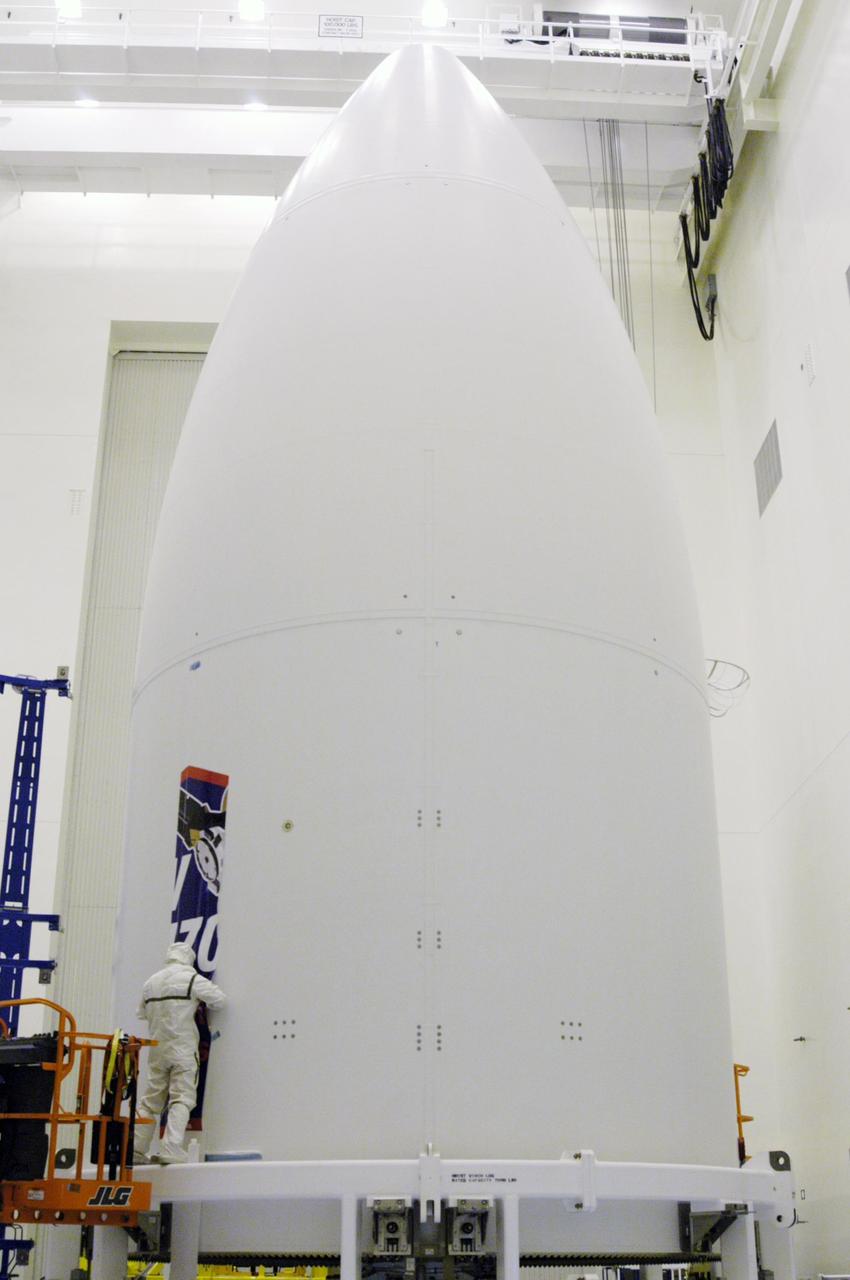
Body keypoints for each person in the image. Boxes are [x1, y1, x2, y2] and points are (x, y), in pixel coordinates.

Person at [134, 941, 226, 1164]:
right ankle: (172, 1147)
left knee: (150, 1101)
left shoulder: (150, 982)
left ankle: (136, 1149)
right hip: (182, 1048)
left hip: (157, 1049)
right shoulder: (190, 978)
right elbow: (219, 1000)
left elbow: (141, 1014)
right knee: (182, 1097)